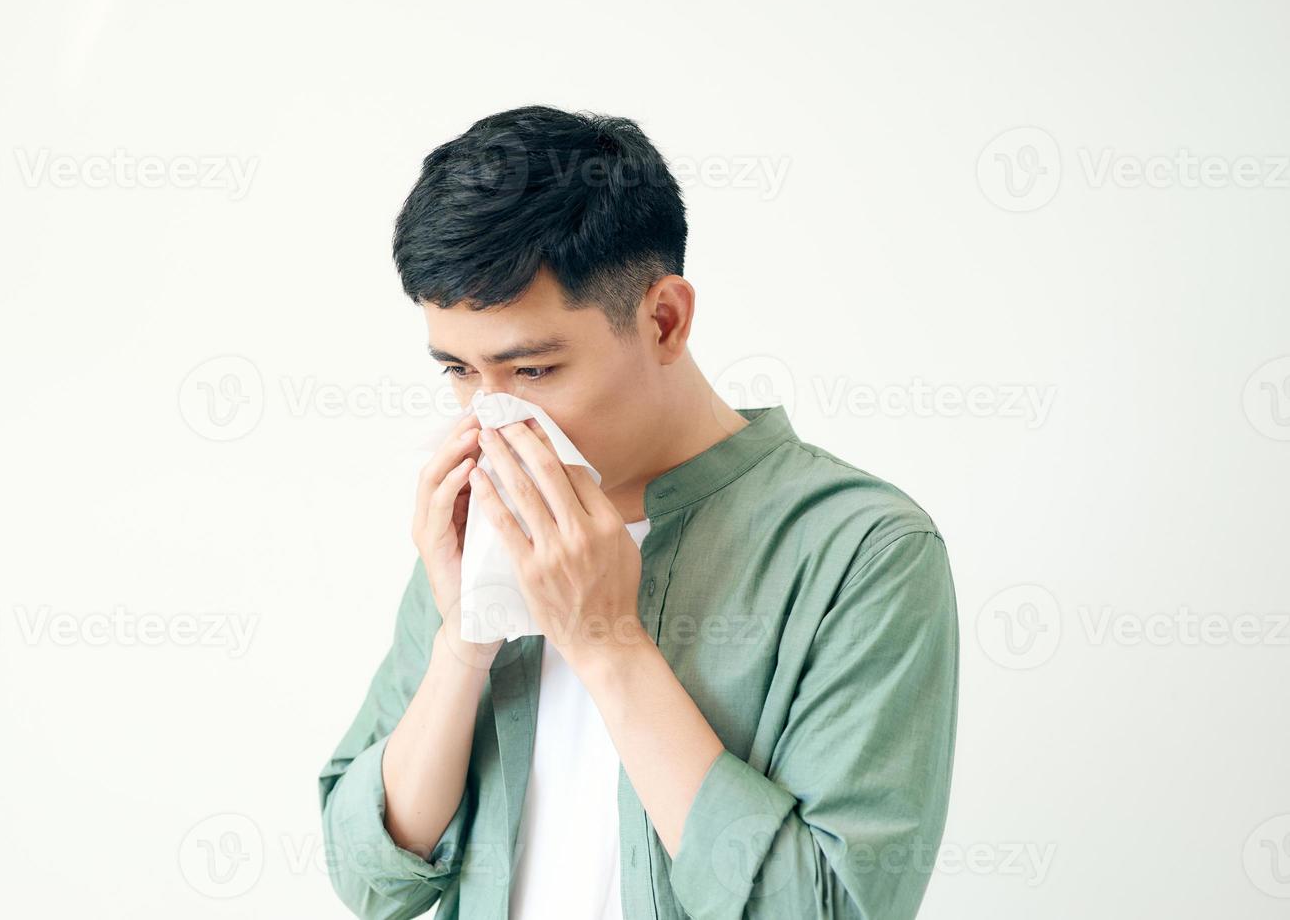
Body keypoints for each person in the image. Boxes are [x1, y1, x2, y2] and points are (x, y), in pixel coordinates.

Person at [317, 105, 959, 920]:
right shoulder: (482, 521)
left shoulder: (861, 550)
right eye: (457, 371)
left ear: (664, 320)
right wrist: (461, 643)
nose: (490, 418)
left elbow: (826, 909)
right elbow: (369, 878)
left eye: (535, 370)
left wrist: (605, 642)